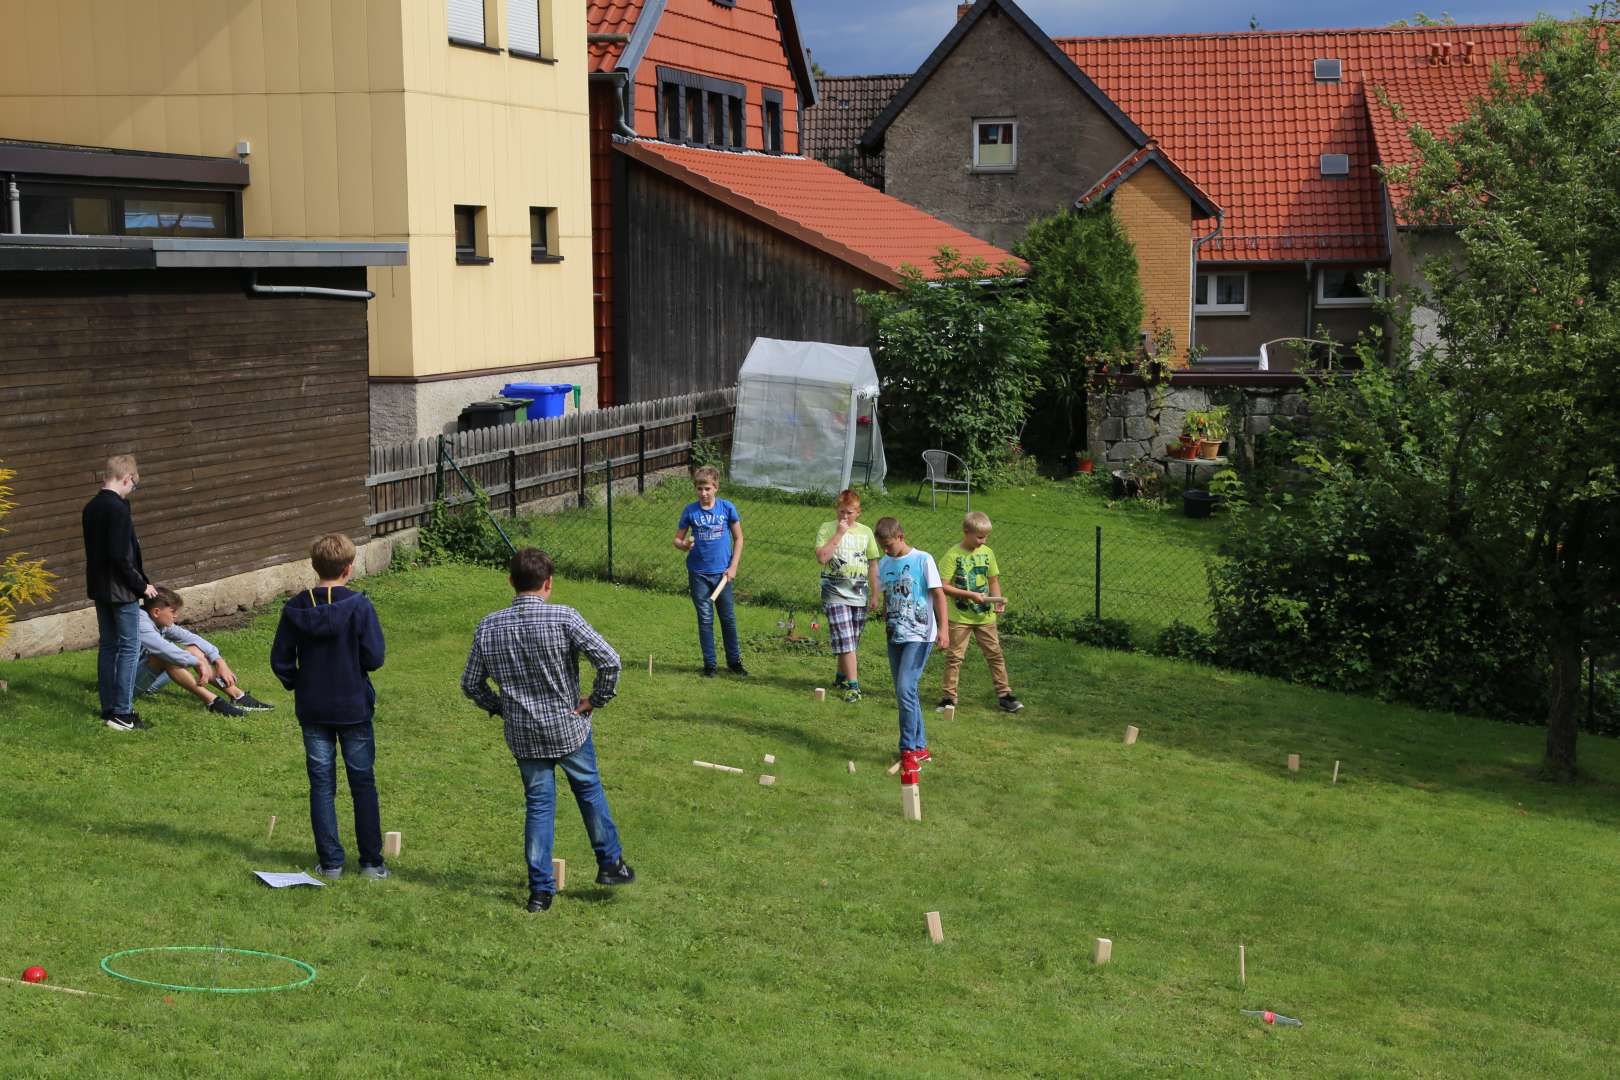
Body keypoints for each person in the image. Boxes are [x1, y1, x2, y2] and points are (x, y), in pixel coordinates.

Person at [461, 548, 635, 913]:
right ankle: (610, 865)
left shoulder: (488, 626)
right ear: (549, 583)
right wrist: (596, 700)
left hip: (523, 734)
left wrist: (500, 707)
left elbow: (471, 684)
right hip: (568, 727)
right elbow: (610, 661)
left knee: (539, 806)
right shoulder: (564, 618)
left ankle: (540, 892)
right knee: (589, 792)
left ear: (510, 582)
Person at [270, 533, 389, 882]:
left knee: (322, 784)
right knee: (362, 782)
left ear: (314, 566)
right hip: (352, 705)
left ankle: (333, 863)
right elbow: (375, 656)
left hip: (314, 708)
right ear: (349, 568)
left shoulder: (298, 608)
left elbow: (281, 661)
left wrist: (300, 683)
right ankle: (370, 863)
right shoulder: (355, 607)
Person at [82, 454, 158, 731]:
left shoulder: (91, 506)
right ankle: (123, 714)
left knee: (108, 646)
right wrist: (141, 585)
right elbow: (119, 555)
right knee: (128, 648)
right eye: (133, 486)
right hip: (121, 589)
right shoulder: (118, 508)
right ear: (127, 478)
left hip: (100, 588)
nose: (131, 491)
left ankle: (108, 708)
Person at [874, 516, 948, 781]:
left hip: (920, 635)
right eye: (882, 546)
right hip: (895, 635)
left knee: (905, 688)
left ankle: (907, 750)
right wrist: (885, 619)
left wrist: (944, 630)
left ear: (901, 537)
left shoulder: (922, 559)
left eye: (889, 545)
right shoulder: (885, 563)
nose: (886, 550)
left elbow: (938, 594)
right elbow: (886, 594)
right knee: (906, 691)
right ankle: (921, 747)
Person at [136, 586, 273, 716]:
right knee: (164, 657)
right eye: (172, 612)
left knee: (194, 650)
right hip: (126, 685)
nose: (176, 616)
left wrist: (219, 661)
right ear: (156, 612)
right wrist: (198, 663)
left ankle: (238, 696)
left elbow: (192, 638)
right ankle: (212, 702)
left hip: (147, 676)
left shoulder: (159, 621)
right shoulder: (140, 622)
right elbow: (163, 649)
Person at [938, 511, 1023, 714]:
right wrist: (969, 595)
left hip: (985, 617)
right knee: (955, 657)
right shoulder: (953, 555)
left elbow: (993, 580)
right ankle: (948, 698)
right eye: (979, 537)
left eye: (986, 537)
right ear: (966, 532)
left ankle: (1005, 696)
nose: (983, 541)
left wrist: (997, 600)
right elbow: (943, 586)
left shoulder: (987, 553)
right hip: (960, 617)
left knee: (995, 655)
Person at [673, 465, 748, 677]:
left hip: (723, 574)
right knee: (705, 619)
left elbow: (739, 538)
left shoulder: (726, 508)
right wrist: (684, 545)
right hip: (698, 574)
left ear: (716, 487)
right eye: (699, 489)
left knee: (728, 618)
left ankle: (734, 662)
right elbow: (676, 540)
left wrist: (733, 567)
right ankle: (710, 665)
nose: (703, 493)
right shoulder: (690, 511)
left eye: (707, 488)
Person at [813, 489, 881, 703]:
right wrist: (839, 533)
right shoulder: (827, 528)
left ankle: (841, 677)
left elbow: (873, 564)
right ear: (836, 510)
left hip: (859, 593)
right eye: (841, 512)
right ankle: (853, 687)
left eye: (849, 513)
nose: (844, 517)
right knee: (846, 638)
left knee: (852, 639)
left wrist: (875, 594)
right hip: (834, 593)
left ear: (858, 512)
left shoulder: (866, 532)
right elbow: (822, 558)